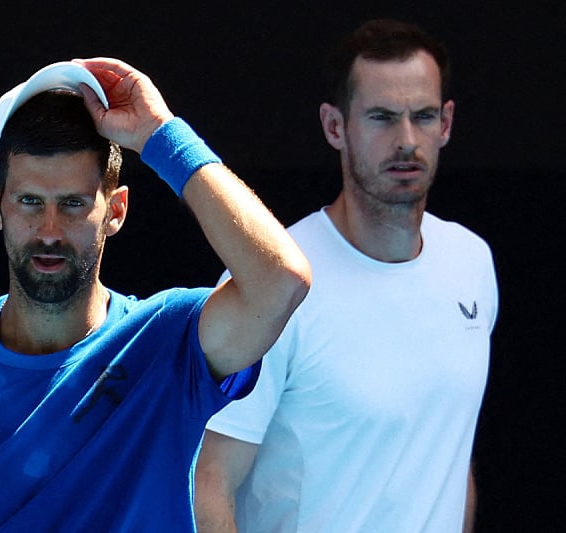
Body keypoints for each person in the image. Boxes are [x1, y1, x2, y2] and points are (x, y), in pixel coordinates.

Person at [0, 57, 311, 532]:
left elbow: (281, 280)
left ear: (116, 211)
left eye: (73, 204)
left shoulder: (168, 339)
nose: (50, 230)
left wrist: (160, 134)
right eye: (30, 201)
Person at [194, 19, 498, 533]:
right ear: (335, 127)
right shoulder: (275, 284)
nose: (406, 140)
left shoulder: (471, 262)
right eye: (381, 117)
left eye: (422, 116)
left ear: (446, 123)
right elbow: (207, 484)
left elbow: (446, 447)